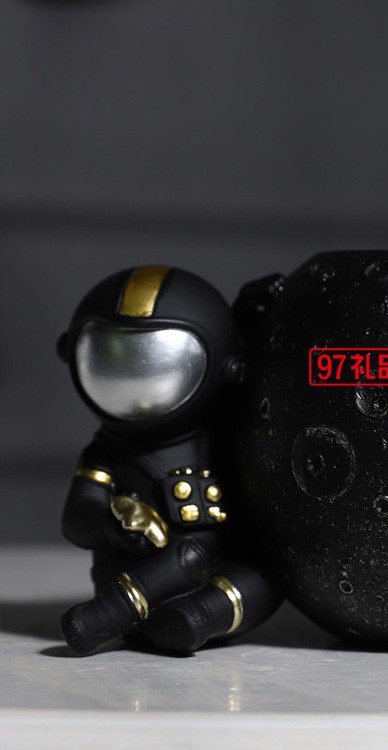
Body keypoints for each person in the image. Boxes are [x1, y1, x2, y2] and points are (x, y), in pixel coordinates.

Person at [58, 265, 281, 655]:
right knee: (189, 556)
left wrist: (249, 315)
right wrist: (111, 524)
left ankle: (194, 619)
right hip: (133, 576)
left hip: (217, 575)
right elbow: (77, 517)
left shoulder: (222, 434)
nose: (134, 379)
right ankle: (117, 615)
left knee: (272, 577)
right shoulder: (106, 451)